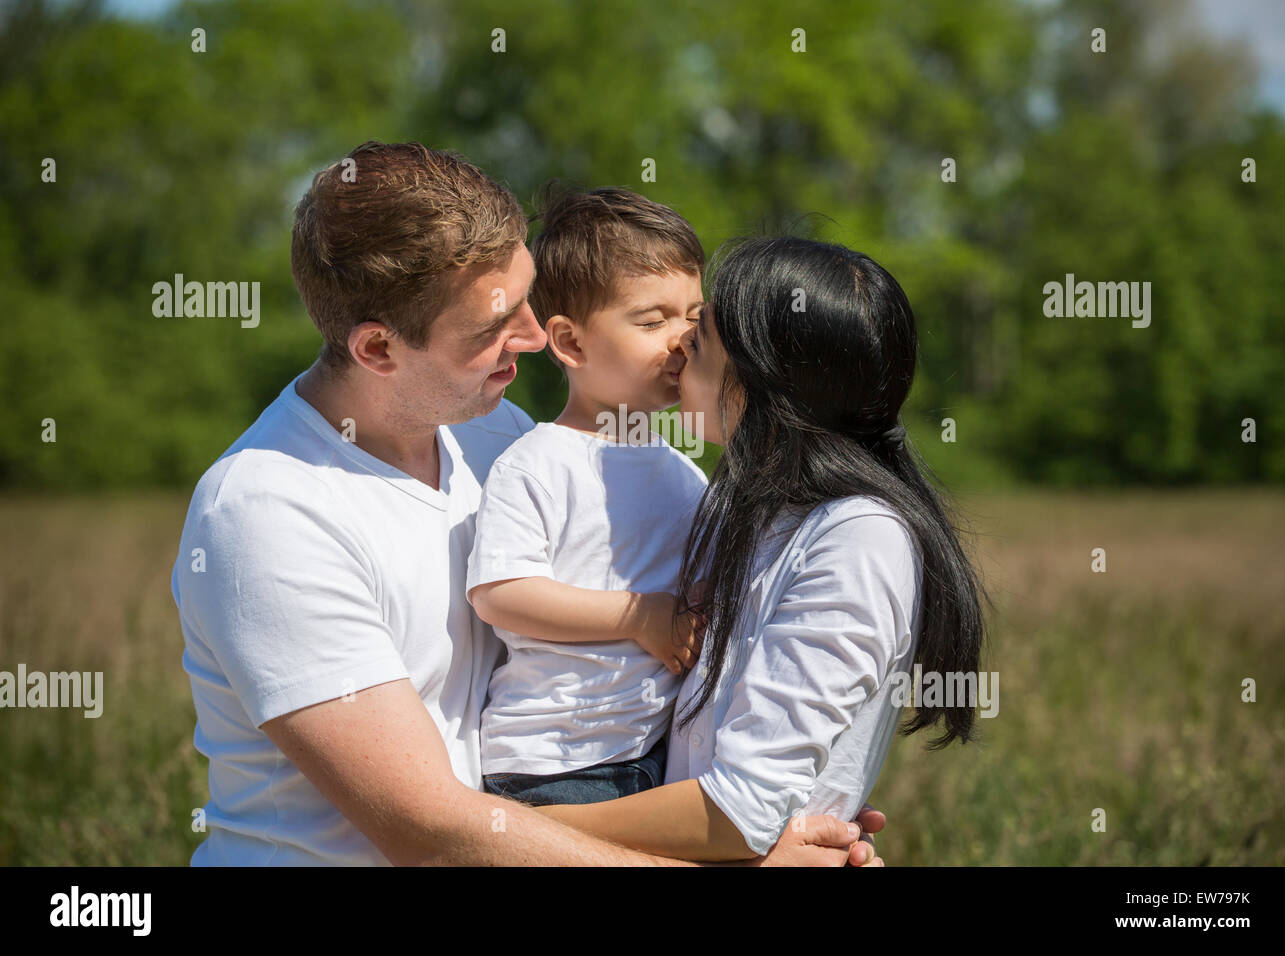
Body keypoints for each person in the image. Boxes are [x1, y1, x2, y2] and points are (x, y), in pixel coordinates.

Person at [171, 141, 879, 865]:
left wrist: (788, 809)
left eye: (529, 300)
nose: (537, 338)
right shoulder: (268, 514)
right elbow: (431, 833)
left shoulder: (493, 433)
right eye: (492, 327)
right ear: (378, 349)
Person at [537, 236, 988, 861]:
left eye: (698, 343)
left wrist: (505, 827)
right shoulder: (738, 510)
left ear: (757, 382)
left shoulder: (859, 539)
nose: (676, 350)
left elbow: (735, 813)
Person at [467, 187, 710, 806]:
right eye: (652, 321)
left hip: (653, 753)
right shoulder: (538, 463)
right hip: (553, 763)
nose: (681, 340)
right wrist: (641, 616)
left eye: (694, 317)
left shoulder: (687, 473)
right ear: (571, 344)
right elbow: (501, 592)